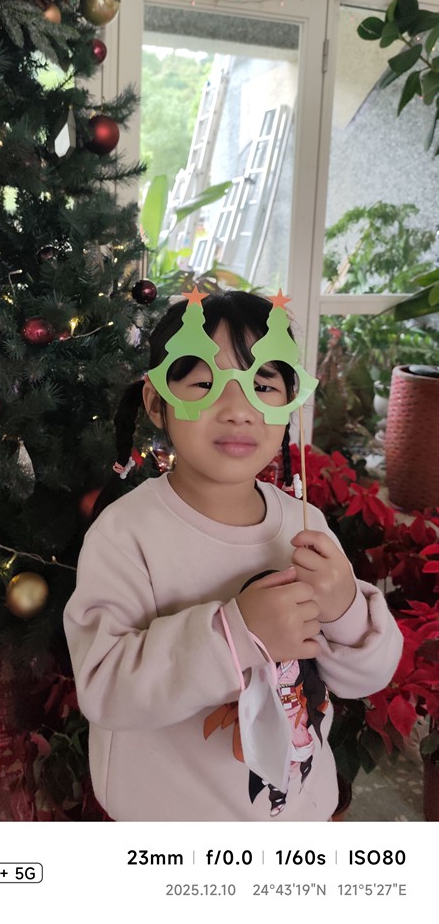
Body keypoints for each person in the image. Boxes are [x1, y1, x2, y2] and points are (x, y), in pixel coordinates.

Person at [63, 289, 402, 821]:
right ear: (157, 402)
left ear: (289, 401)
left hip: (300, 814)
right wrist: (240, 634)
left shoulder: (306, 525)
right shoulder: (126, 534)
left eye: (263, 385)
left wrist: (345, 609)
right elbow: (104, 687)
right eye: (204, 384)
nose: (239, 410)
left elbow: (367, 676)